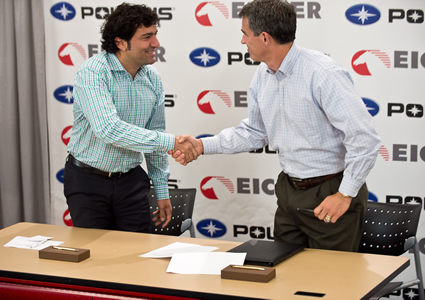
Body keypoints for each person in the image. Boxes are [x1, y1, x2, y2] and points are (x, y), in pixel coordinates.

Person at [171, 0, 381, 251]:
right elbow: (254, 133)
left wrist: (345, 194)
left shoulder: (323, 73)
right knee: (284, 277)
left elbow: (365, 140)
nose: (242, 41)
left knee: (330, 282)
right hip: (289, 191)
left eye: (244, 34)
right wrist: (201, 145)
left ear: (264, 38)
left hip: (330, 193)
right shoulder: (263, 74)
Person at [64, 3, 198, 233]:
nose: (155, 43)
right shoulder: (93, 71)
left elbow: (154, 136)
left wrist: (162, 191)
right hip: (88, 181)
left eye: (155, 34)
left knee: (138, 255)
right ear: (120, 42)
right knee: (94, 262)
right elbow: (109, 130)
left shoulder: (152, 78)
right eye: (147, 37)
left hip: (131, 181)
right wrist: (172, 142)